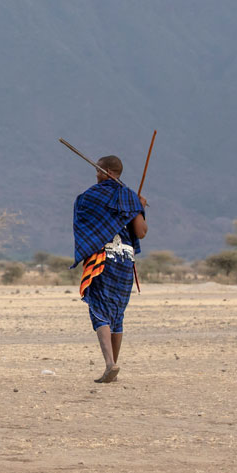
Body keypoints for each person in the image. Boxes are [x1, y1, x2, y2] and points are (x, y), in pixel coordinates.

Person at [72, 155, 147, 383]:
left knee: (98, 308)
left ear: (106, 171)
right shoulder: (129, 197)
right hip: (125, 260)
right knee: (117, 313)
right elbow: (141, 232)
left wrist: (137, 206)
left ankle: (110, 364)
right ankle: (112, 367)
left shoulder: (88, 197)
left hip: (101, 259)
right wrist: (139, 209)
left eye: (98, 171)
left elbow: (84, 222)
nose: (96, 175)